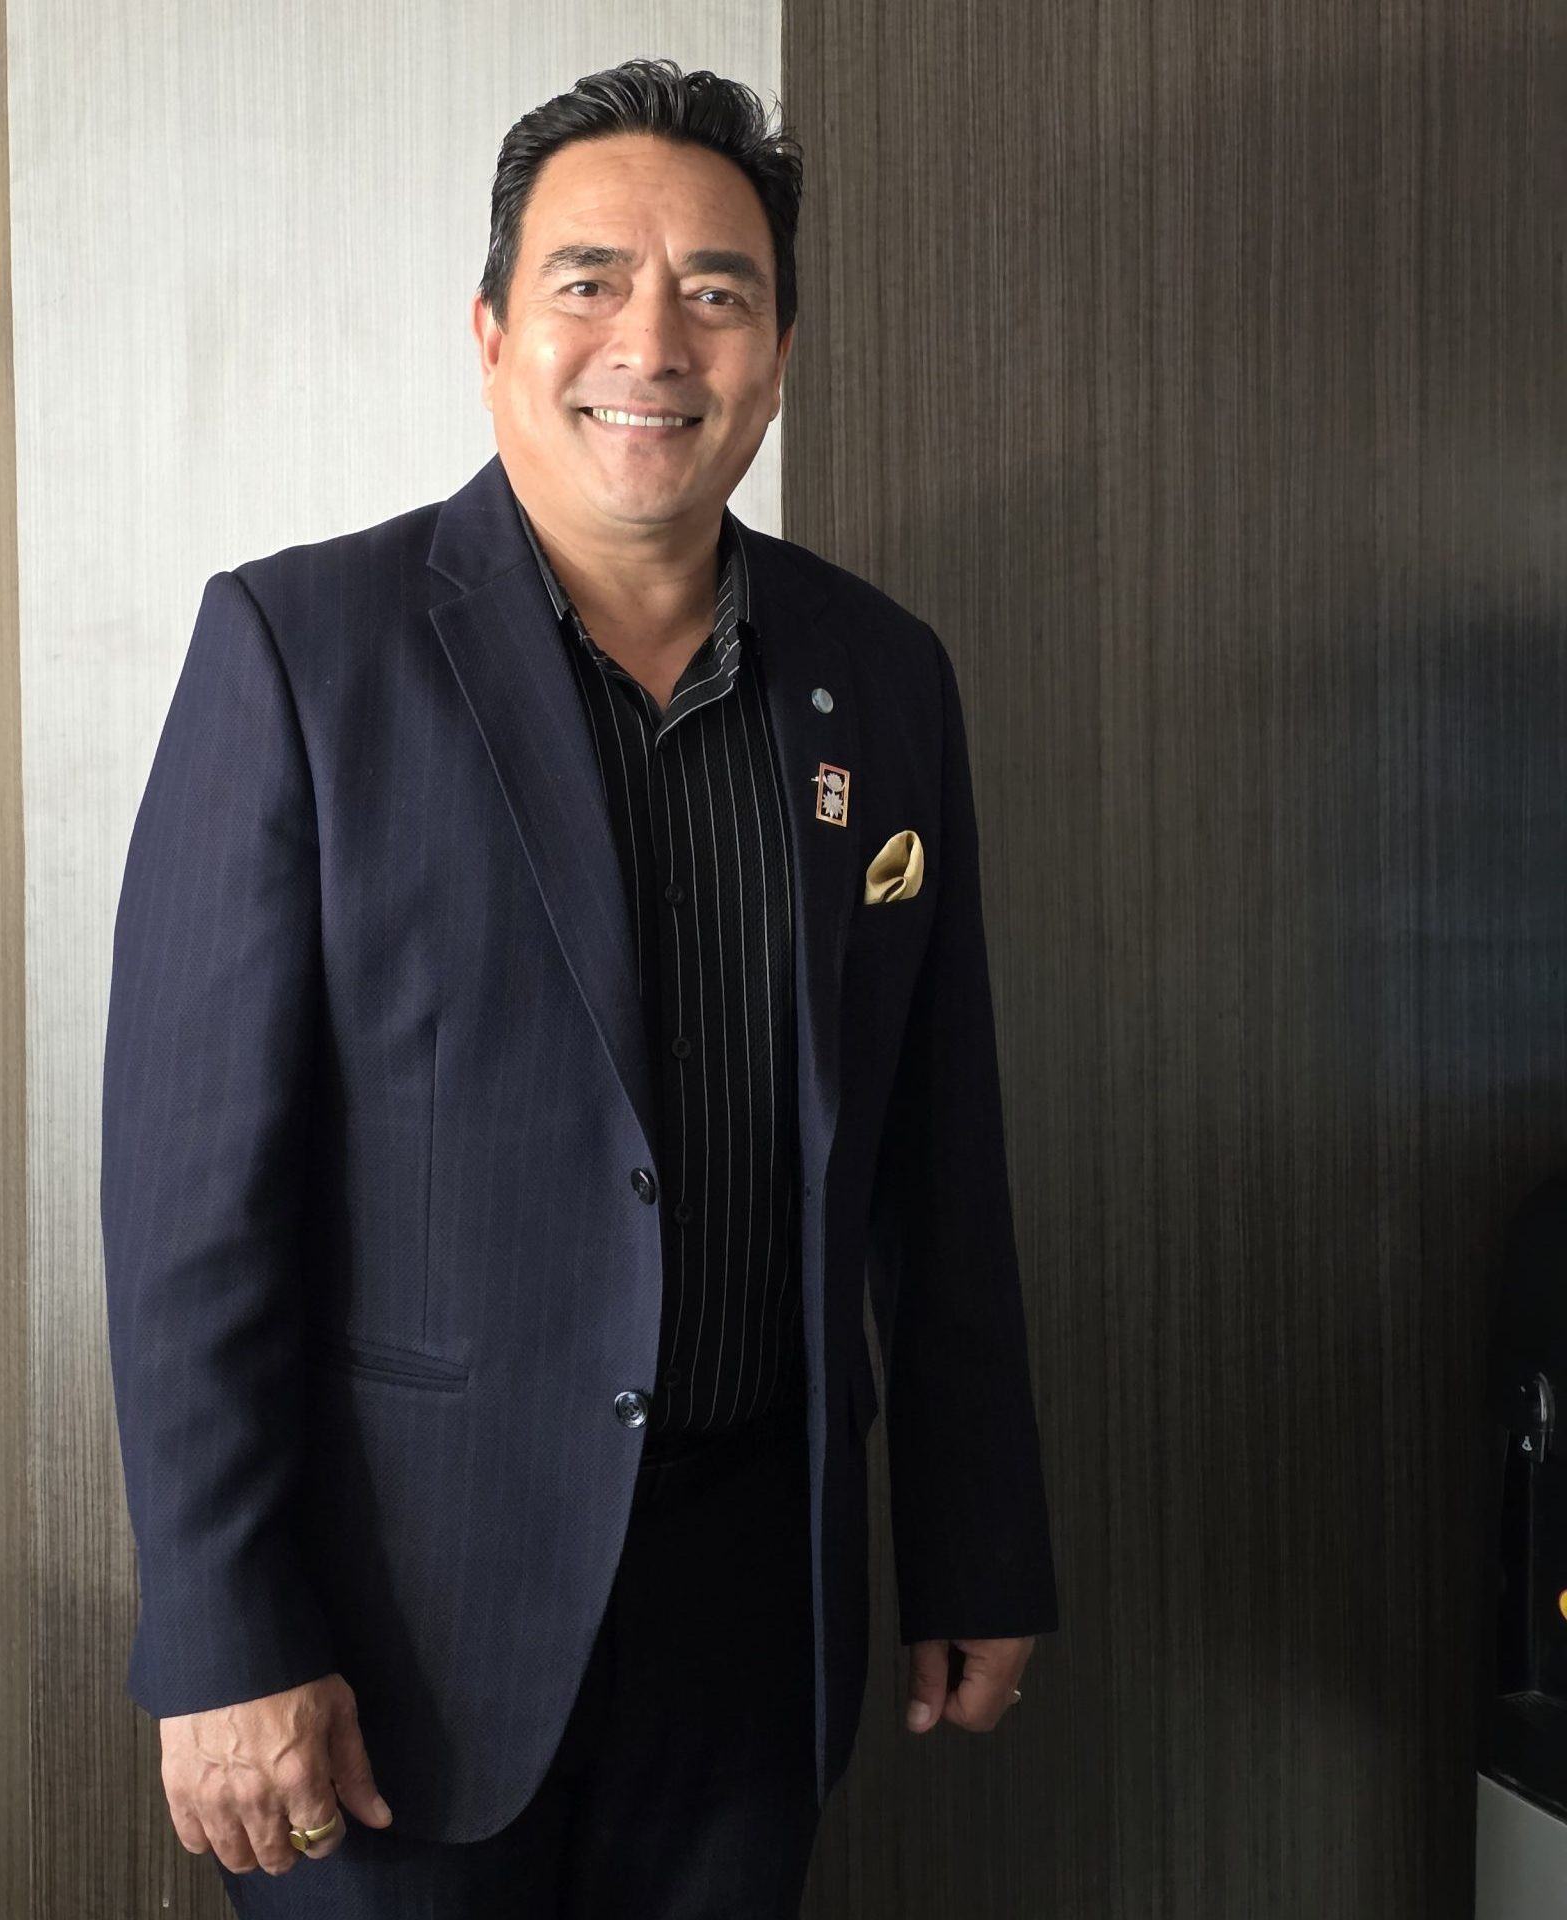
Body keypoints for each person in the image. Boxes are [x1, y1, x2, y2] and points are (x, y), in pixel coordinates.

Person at [100, 55, 1060, 1919]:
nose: (655, 341)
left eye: (718, 290)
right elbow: (188, 1214)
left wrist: (977, 1544)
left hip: (753, 1607)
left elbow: (941, 1160)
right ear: (491, 332)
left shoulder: (882, 674)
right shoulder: (303, 651)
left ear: (779, 352)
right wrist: (223, 1634)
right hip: (392, 1634)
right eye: (590, 280)